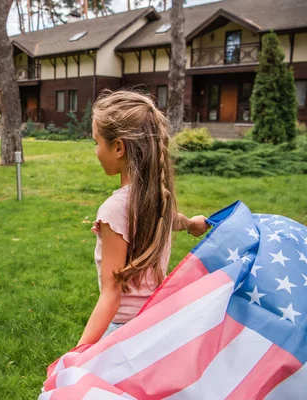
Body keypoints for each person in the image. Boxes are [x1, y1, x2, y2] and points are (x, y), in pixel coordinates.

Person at [76, 89, 210, 347]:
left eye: (97, 142)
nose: (95, 151)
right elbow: (172, 219)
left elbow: (111, 295)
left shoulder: (114, 210)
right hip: (153, 323)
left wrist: (78, 354)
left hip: (122, 331)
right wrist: (192, 223)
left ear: (118, 148)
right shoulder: (157, 197)